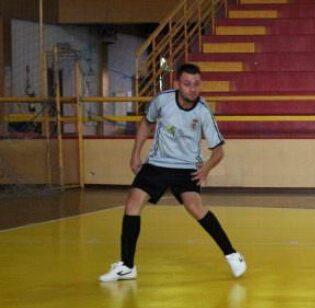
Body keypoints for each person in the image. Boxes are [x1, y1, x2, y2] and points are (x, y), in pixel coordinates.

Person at [99, 63, 246, 282]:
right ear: (177, 84)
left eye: (196, 84)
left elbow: (218, 151)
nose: (192, 89)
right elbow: (146, 123)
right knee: (133, 202)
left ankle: (233, 255)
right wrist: (135, 154)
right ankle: (127, 266)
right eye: (187, 84)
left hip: (186, 167)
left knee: (194, 206)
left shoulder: (203, 111)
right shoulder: (162, 100)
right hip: (157, 164)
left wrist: (205, 169)